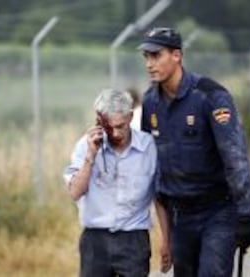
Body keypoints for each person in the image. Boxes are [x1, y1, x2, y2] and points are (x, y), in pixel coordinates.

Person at [137, 27, 250, 277]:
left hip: (218, 211)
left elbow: (235, 158)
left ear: (177, 55)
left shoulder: (210, 96)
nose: (150, 64)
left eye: (156, 55)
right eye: (146, 57)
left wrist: (246, 215)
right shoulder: (150, 102)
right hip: (180, 216)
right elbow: (154, 169)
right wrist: (165, 234)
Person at [63, 88, 171, 277]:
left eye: (120, 126)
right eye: (108, 127)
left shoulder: (149, 148)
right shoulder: (85, 146)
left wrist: (166, 240)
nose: (115, 133)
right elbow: (75, 193)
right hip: (95, 240)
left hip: (133, 240)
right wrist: (91, 156)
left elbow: (159, 197)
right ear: (99, 120)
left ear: (130, 116)